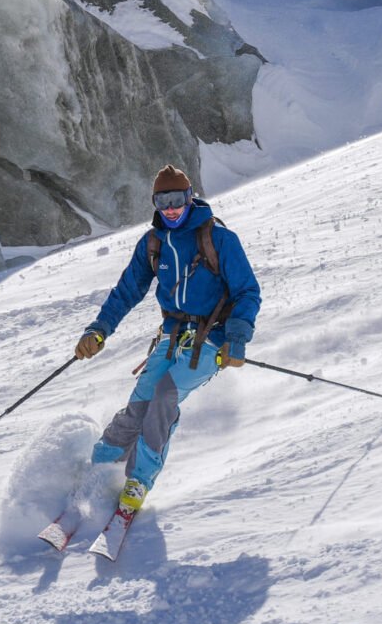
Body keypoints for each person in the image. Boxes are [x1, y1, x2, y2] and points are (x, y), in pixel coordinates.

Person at [73, 163, 261, 523]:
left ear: (190, 198)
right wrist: (98, 330)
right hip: (173, 335)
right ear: (155, 203)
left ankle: (138, 482)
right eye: (164, 201)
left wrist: (236, 338)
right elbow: (127, 291)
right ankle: (100, 465)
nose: (172, 208)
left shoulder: (219, 239)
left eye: (178, 199)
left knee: (164, 398)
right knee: (140, 402)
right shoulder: (153, 243)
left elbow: (248, 292)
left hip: (213, 338)